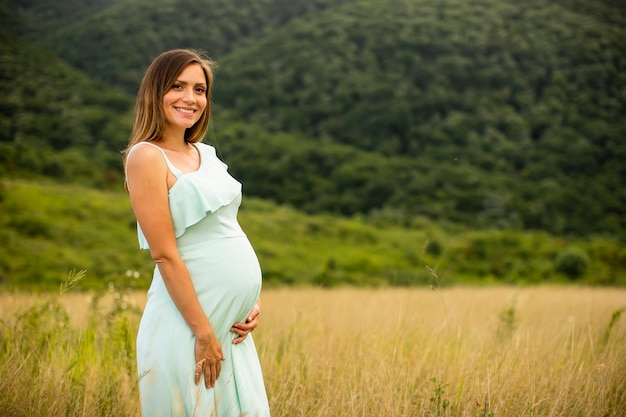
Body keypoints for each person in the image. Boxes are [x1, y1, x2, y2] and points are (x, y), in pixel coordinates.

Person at [123, 49, 270, 417]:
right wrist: (203, 334)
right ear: (155, 93)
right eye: (178, 86)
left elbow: (224, 231)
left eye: (200, 90)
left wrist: (249, 301)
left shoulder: (205, 153)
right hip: (190, 329)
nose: (191, 98)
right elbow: (164, 254)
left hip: (228, 329)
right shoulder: (146, 157)